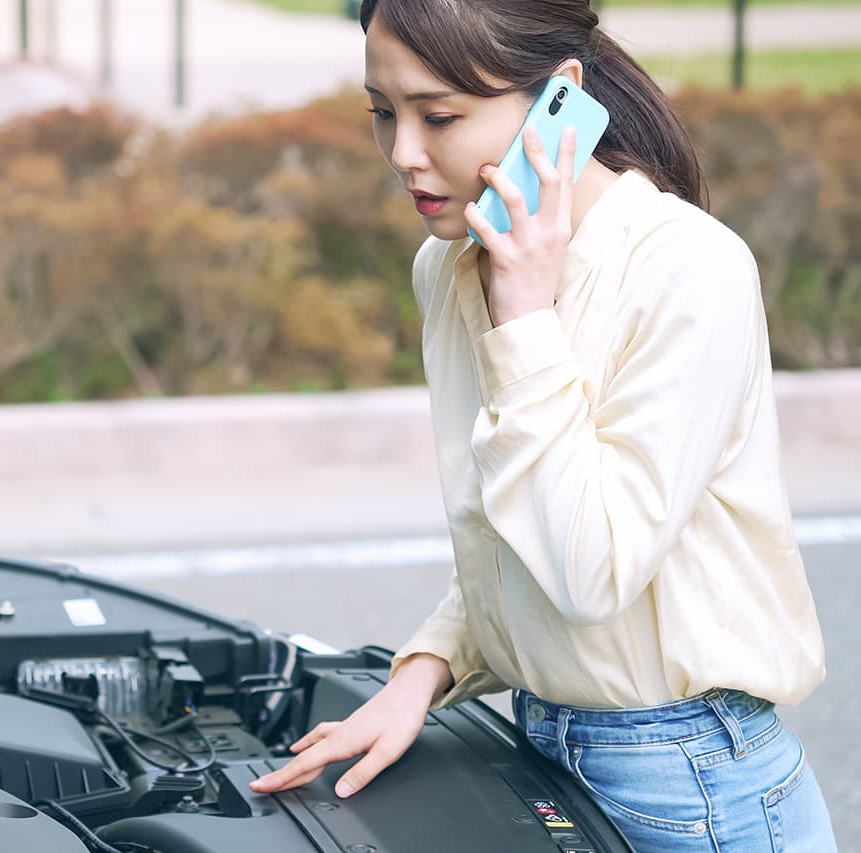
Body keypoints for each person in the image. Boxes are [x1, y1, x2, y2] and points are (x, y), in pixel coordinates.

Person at [247, 1, 838, 849]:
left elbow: (588, 570)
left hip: (695, 789)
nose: (404, 153)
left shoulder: (686, 268)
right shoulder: (450, 261)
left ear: (560, 95)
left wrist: (523, 318)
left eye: (439, 115)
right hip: (540, 751)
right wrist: (422, 672)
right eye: (382, 112)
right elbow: (508, 526)